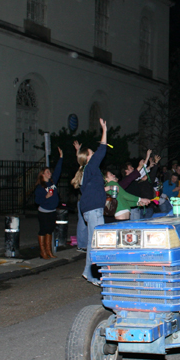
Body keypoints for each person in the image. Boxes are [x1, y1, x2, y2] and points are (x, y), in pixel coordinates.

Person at [76, 119, 108, 285]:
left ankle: (89, 272)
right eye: (91, 153)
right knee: (96, 243)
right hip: (94, 210)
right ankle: (93, 275)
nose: (94, 154)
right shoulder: (90, 167)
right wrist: (104, 129)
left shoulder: (85, 170)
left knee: (92, 241)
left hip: (90, 209)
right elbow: (102, 150)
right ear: (88, 157)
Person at [34, 147, 63, 259]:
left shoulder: (52, 182)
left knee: (50, 230)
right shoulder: (40, 187)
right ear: (43, 175)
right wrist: (46, 197)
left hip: (52, 210)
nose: (49, 173)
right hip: (44, 212)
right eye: (47, 172)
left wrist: (61, 157)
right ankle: (43, 252)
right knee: (43, 230)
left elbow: (58, 170)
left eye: (49, 171)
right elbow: (37, 201)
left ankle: (49, 251)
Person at [71, 140, 88, 252]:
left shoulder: (85, 170)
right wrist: (78, 152)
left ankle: (84, 244)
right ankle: (81, 245)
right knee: (82, 223)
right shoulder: (84, 171)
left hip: (85, 200)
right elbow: (81, 163)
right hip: (83, 200)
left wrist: (78, 151)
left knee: (85, 223)